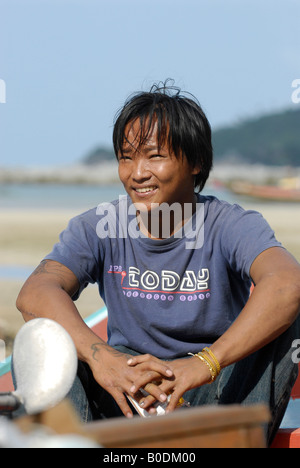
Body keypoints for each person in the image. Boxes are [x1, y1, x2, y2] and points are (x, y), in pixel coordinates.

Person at [16, 81, 300, 445]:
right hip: (124, 392)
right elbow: (34, 293)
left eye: (154, 156)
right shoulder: (101, 225)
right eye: (126, 157)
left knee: (288, 316)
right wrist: (102, 358)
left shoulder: (231, 224)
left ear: (196, 162)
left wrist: (203, 365)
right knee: (43, 336)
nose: (137, 173)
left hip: (211, 393)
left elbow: (287, 283)